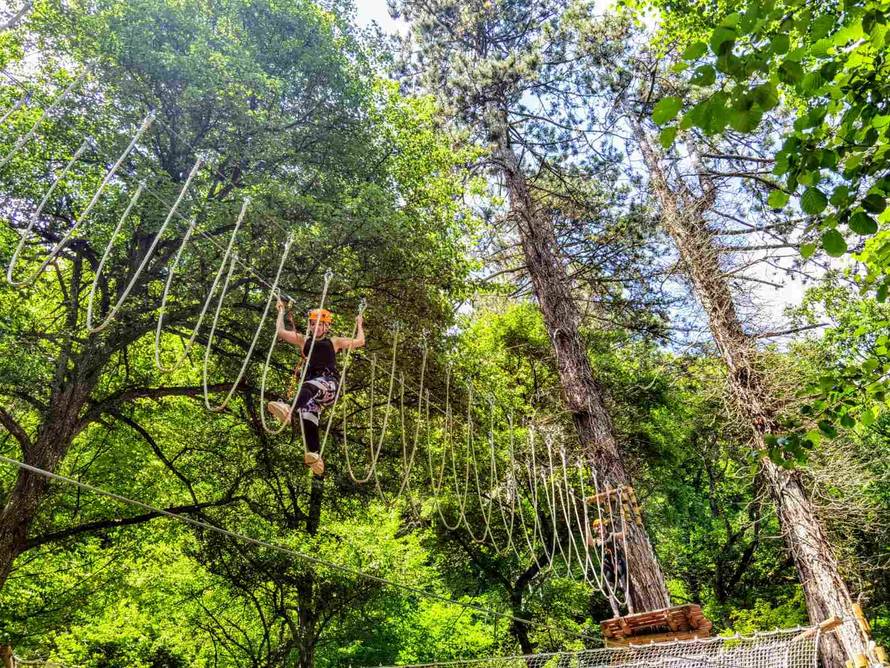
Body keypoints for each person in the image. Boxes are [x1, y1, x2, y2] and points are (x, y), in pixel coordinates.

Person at [267, 298, 365, 476]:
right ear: (310, 326)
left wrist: (359, 324)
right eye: (313, 324)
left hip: (329, 385)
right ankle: (315, 456)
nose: (316, 327)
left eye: (320, 324)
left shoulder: (334, 342)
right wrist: (281, 311)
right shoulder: (304, 340)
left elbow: (360, 341)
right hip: (312, 391)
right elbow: (280, 331)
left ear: (326, 327)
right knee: (307, 414)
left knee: (309, 386)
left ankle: (288, 409)